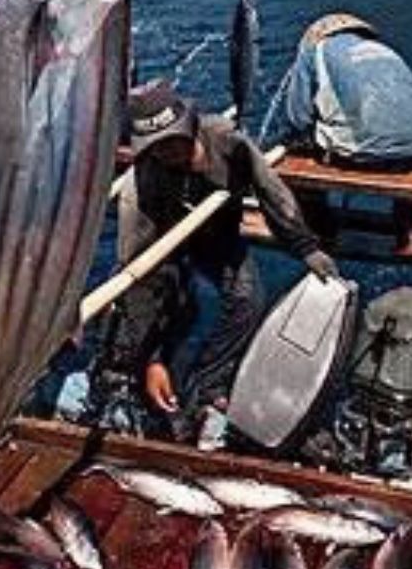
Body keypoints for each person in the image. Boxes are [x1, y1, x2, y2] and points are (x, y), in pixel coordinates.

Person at [99, 80, 338, 438]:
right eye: (158, 147)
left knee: (248, 300)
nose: (169, 152)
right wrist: (151, 358)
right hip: (167, 243)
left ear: (191, 126)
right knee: (177, 311)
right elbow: (139, 265)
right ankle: (150, 383)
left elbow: (271, 191)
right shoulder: (144, 182)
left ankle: (208, 385)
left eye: (175, 141)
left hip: (218, 233)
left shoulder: (227, 141)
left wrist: (305, 247)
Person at [273, 13, 412, 257]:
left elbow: (298, 118)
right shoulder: (387, 52)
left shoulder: (314, 52)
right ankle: (409, 237)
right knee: (406, 144)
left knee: (297, 159)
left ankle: (321, 234)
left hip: (369, 151)